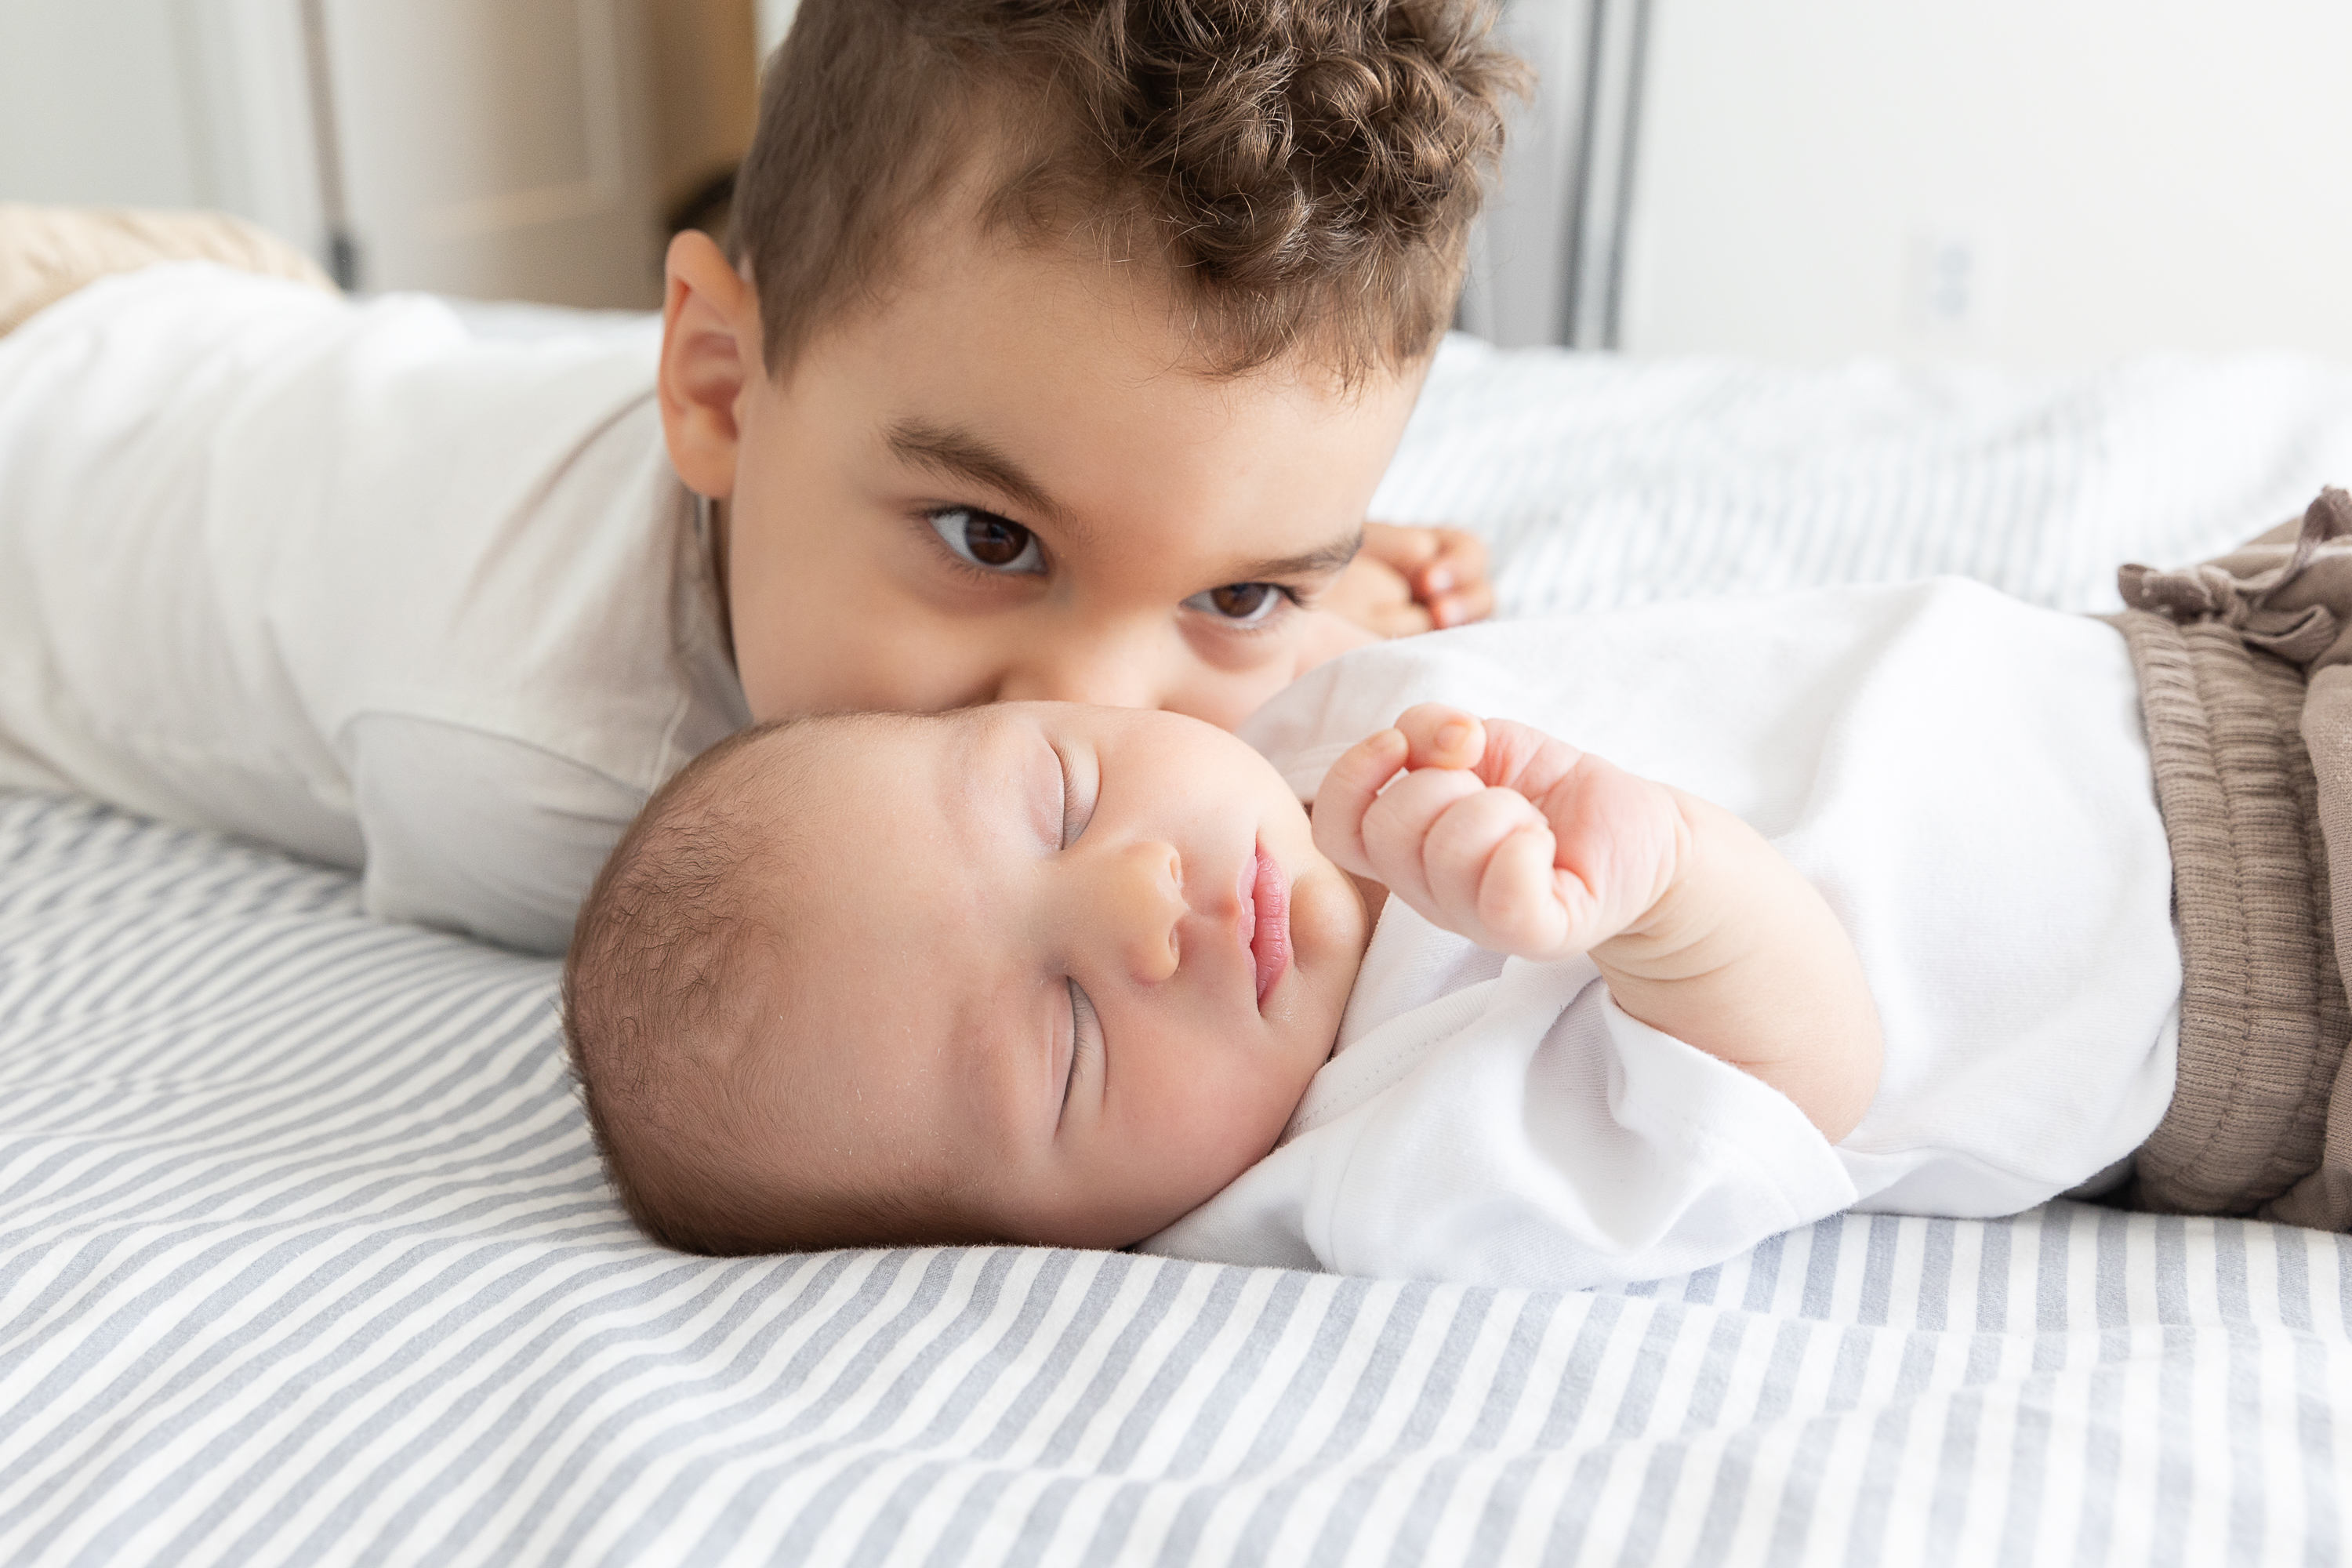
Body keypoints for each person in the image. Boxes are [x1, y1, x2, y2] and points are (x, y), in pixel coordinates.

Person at [0, 0, 1521, 952]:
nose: (1092, 715)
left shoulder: (868, 438)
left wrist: (1285, 609)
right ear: (715, 388)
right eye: (993, 537)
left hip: (227, 315)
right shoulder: (558, 765)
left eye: (1237, 585)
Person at [561, 491, 2352, 1286]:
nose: (1135, 904)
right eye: (1065, 1043)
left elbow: (1280, 623)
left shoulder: (1269, 762)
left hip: (2202, 644)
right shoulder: (1395, 1155)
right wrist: (1669, 898)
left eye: (1054, 790)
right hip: (2286, 933)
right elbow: (1803, 1076)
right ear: (1083, 1241)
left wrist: (1354, 586)